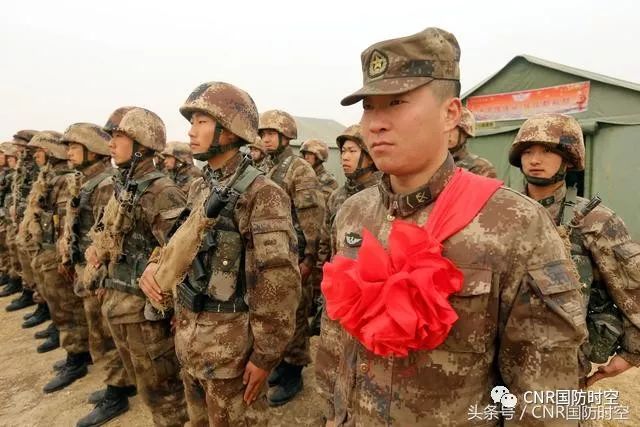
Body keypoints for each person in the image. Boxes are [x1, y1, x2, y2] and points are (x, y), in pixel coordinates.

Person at [321, 27, 587, 425]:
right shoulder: (353, 214)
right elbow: (337, 341)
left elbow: (545, 398)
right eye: (369, 107)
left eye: (396, 103)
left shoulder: (514, 223)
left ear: (450, 114)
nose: (375, 124)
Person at [140, 80, 300, 426]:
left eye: (201, 121)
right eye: (192, 122)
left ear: (229, 130)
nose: (191, 130)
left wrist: (265, 355)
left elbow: (278, 281)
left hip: (231, 355)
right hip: (191, 342)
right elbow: (178, 241)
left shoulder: (262, 193)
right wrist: (155, 265)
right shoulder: (201, 185)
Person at [509, 112, 640, 387]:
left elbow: (631, 286)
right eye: (528, 151)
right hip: (499, 360)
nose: (535, 160)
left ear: (569, 159)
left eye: (547, 151)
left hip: (562, 366)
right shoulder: (501, 214)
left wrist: (632, 351)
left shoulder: (596, 220)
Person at [77, 107, 187, 427]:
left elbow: (181, 255)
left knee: (164, 394)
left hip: (145, 314)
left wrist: (178, 311)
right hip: (120, 305)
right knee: (145, 387)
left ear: (142, 144)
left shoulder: (161, 191)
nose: (111, 143)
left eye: (120, 137)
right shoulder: (125, 186)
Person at [58, 122, 137, 407]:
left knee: (105, 335)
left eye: (74, 147)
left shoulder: (105, 184)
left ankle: (117, 391)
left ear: (92, 150)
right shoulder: (86, 181)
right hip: (88, 269)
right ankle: (117, 383)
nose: (69, 153)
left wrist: (103, 277)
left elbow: (110, 237)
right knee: (98, 331)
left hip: (100, 274)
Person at [259, 109, 325, 406]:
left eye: (271, 134)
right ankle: (283, 363)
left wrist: (309, 259)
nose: (266, 139)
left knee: (296, 315)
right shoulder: (266, 167)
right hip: (272, 255)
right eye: (263, 134)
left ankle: (294, 371)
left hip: (296, 255)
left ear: (286, 136)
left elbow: (312, 217)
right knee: (277, 315)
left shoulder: (299, 169)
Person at [314, 123, 378, 392]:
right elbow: (325, 244)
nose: (344, 157)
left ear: (370, 155)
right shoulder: (338, 196)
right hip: (339, 297)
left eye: (352, 150)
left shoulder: (385, 196)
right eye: (342, 151)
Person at [448, 106, 497, 177]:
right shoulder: (433, 165)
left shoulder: (480, 167)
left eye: (452, 128)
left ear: (465, 133)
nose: (447, 133)